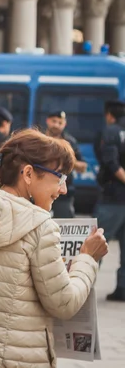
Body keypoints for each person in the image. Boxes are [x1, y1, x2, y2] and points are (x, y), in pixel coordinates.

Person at [0, 129, 108, 368]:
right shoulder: (40, 227)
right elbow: (64, 303)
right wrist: (87, 259)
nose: (63, 190)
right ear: (28, 173)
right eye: (59, 178)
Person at [94, 99, 125, 302]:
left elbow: (111, 164)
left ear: (109, 115)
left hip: (113, 199)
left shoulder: (112, 131)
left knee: (94, 244)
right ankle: (122, 289)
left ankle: (82, 288)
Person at [45, 110, 87, 219]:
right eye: (54, 121)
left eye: (60, 123)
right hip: (40, 188)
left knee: (65, 226)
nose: (56, 125)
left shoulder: (70, 142)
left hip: (63, 191)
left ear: (65, 124)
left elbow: (82, 167)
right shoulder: (39, 139)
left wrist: (67, 160)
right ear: (48, 121)